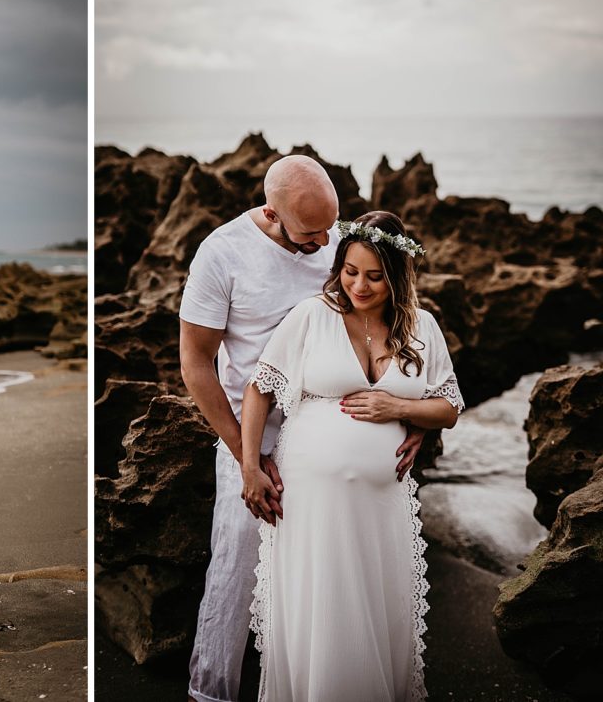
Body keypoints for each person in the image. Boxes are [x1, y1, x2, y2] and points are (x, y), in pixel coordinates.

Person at [179, 156, 426, 702]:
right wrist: (245, 459)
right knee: (238, 567)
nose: (325, 243)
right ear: (272, 212)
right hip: (254, 435)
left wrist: (415, 418)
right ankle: (211, 692)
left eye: (330, 228)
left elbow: (383, 323)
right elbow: (195, 365)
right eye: (311, 234)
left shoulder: (335, 241)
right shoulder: (222, 254)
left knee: (324, 570)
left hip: (327, 433)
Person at [241, 210, 464, 701]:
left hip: (381, 501)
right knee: (323, 604)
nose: (359, 285)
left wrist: (403, 409)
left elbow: (448, 407)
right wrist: (251, 465)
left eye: (374, 275)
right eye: (350, 271)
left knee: (375, 603)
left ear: (398, 274)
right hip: (309, 496)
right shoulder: (310, 316)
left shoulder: (421, 326)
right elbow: (259, 390)